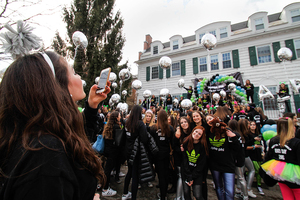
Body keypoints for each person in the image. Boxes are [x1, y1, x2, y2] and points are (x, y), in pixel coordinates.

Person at [0, 51, 110, 200]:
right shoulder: (46, 155)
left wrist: (91, 107)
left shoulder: (38, 136)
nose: (80, 77)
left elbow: (73, 141)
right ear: (56, 86)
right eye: (74, 72)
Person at [262, 117, 300, 200]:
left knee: (287, 197)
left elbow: (269, 156)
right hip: (296, 176)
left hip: (280, 174)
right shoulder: (296, 142)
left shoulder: (273, 140)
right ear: (291, 127)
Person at [206, 117, 240, 200]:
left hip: (228, 165)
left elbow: (237, 149)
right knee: (218, 188)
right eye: (207, 120)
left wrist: (234, 138)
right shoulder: (209, 132)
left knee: (230, 191)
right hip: (215, 165)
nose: (209, 121)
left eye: (211, 118)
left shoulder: (227, 132)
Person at [122, 105, 149, 200]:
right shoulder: (140, 124)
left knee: (129, 172)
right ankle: (133, 197)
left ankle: (125, 193)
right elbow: (144, 139)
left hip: (128, 150)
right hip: (136, 152)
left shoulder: (127, 122)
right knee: (135, 175)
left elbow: (124, 137)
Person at [150, 110, 174, 200]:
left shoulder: (153, 128)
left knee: (160, 175)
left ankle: (162, 195)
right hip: (166, 154)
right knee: (165, 174)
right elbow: (172, 142)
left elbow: (151, 142)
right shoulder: (170, 128)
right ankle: (164, 194)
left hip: (156, 154)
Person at [181, 126, 208, 200]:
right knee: (186, 193)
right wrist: (188, 175)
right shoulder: (186, 141)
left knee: (198, 194)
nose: (196, 134)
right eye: (196, 132)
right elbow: (184, 160)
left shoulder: (202, 146)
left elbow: (201, 164)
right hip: (186, 171)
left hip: (197, 173)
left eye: (199, 134)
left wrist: (192, 177)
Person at [102, 111, 123, 196]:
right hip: (113, 152)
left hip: (107, 150)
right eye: (119, 116)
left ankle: (102, 184)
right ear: (116, 118)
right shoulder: (116, 127)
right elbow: (118, 142)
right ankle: (105, 189)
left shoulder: (108, 126)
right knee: (108, 170)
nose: (120, 117)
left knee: (106, 169)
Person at [238, 119, 261, 198]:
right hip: (245, 156)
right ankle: (247, 189)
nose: (249, 125)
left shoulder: (243, 134)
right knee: (252, 170)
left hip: (243, 156)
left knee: (241, 174)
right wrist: (254, 146)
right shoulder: (244, 135)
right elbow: (245, 147)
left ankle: (240, 190)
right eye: (248, 124)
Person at [228, 120, 248, 200]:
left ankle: (245, 195)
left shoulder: (233, 135)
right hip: (242, 157)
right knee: (241, 177)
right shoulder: (240, 134)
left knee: (240, 177)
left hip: (236, 159)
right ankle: (240, 191)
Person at [173, 116, 192, 200]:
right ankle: (178, 197)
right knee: (181, 176)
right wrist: (180, 150)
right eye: (182, 123)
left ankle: (184, 196)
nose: (184, 124)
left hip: (190, 159)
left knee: (186, 177)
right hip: (180, 159)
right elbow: (174, 146)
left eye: (185, 122)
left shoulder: (192, 132)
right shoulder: (178, 133)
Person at [249, 121, 265, 196]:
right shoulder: (249, 135)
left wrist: (263, 151)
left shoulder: (259, 134)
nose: (252, 126)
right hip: (252, 155)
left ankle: (259, 185)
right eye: (251, 125)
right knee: (257, 170)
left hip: (259, 155)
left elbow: (262, 144)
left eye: (254, 125)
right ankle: (258, 185)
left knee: (259, 170)